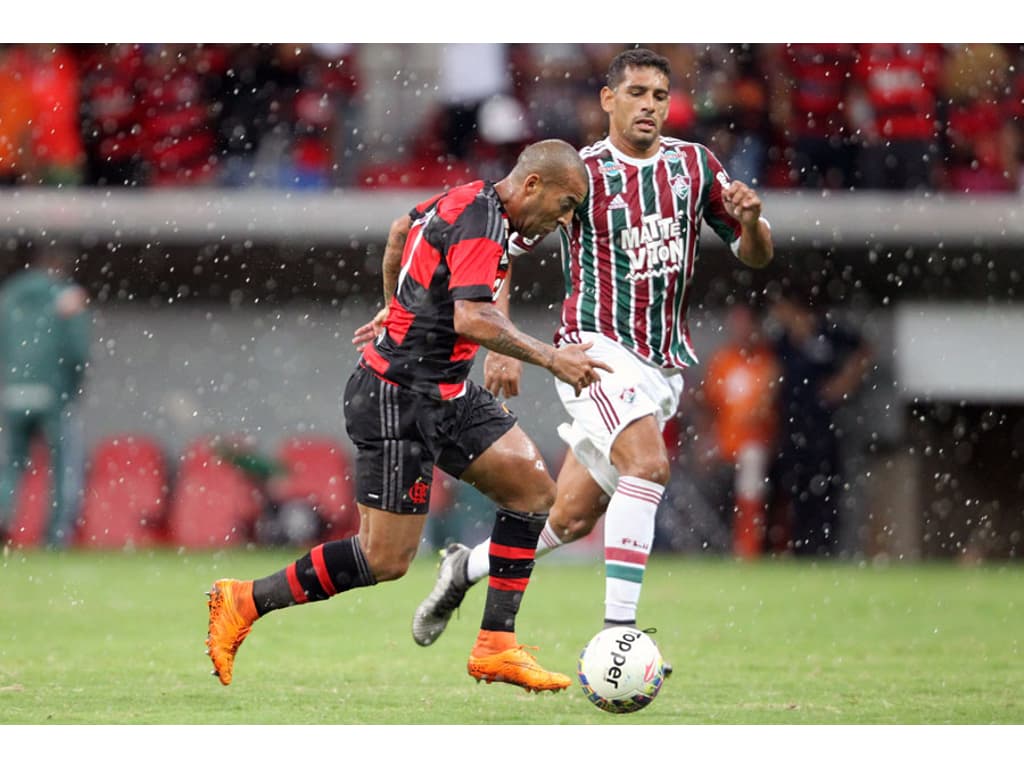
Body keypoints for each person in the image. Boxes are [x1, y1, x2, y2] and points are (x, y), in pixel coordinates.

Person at [407, 48, 774, 660]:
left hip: (660, 366)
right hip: (593, 351)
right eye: (635, 93)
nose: (649, 106)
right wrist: (500, 340)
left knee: (569, 517)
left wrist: (754, 223)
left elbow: (754, 255)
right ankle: (618, 639)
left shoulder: (695, 167)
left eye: (658, 95)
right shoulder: (581, 174)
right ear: (608, 100)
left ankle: (463, 569)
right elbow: (502, 245)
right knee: (649, 466)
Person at [206, 138, 610, 693]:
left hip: (445, 392)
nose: (565, 221)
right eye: (565, 206)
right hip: (396, 397)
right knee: (384, 559)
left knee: (533, 492)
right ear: (533, 185)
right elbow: (471, 318)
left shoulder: (476, 203)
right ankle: (245, 600)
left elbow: (401, 230)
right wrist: (550, 358)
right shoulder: (481, 221)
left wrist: (399, 304)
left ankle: (497, 644)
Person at [767, 282, 873, 557]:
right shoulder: (782, 342)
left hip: (825, 426)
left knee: (826, 491)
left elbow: (864, 351)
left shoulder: (829, 333)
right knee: (796, 492)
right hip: (792, 426)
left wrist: (843, 384)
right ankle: (802, 550)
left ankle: (825, 550)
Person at [0, 245, 91, 548]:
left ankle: (2, 520)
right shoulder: (66, 296)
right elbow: (78, 351)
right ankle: (54, 536)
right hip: (53, 393)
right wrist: (72, 388)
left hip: (14, 392)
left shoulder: (9, 295)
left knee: (12, 464)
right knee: (63, 466)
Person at [703, 303, 780, 559]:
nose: (741, 331)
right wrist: (709, 440)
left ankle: (748, 549)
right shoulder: (723, 361)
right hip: (725, 442)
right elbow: (709, 404)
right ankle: (715, 545)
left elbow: (765, 406)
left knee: (751, 487)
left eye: (746, 325)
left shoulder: (766, 362)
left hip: (753, 441)